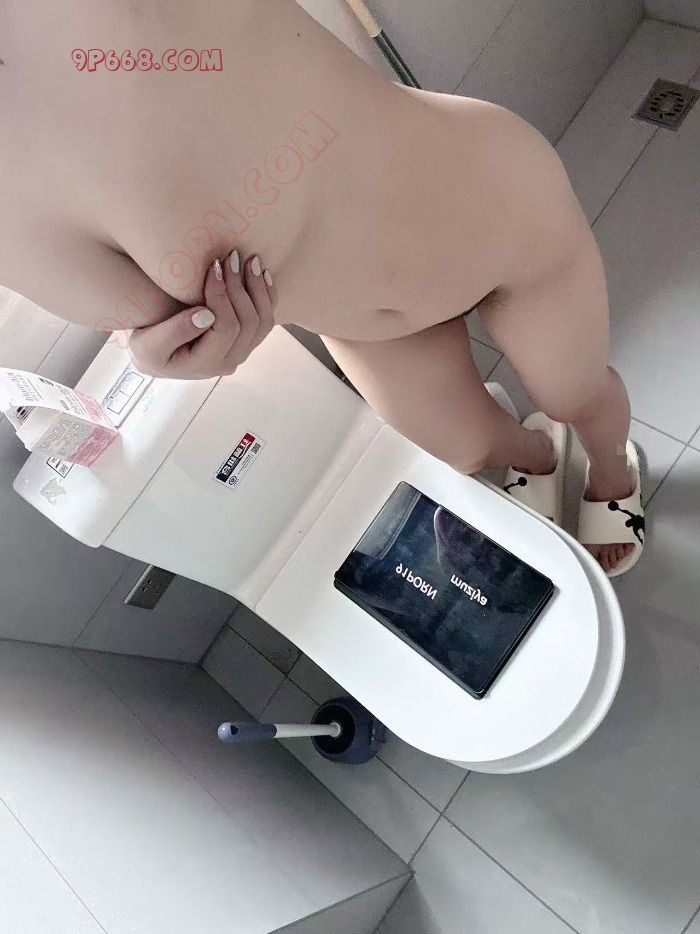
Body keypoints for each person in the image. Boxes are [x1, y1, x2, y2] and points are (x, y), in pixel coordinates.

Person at [0, 0, 642, 574]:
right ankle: (537, 454)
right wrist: (156, 353)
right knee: (467, 448)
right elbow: (143, 314)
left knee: (574, 392)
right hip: (366, 326)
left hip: (490, 207)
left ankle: (612, 468)